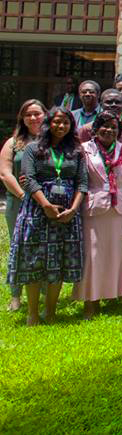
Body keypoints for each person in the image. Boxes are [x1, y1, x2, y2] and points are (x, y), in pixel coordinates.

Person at [8, 108, 88, 326]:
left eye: (65, 123)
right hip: (37, 211)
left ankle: (50, 311)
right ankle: (32, 312)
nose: (60, 126)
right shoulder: (33, 149)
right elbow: (29, 179)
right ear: (49, 123)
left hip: (67, 214)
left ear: (71, 126)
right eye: (56, 122)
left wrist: (73, 209)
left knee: (59, 260)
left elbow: (82, 183)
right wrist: (45, 205)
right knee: (34, 260)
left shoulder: (77, 152)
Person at [73, 111, 122, 319]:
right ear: (95, 129)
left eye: (114, 127)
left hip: (119, 210)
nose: (109, 130)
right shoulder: (84, 150)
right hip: (93, 209)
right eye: (104, 126)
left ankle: (110, 296)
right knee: (92, 256)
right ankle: (90, 302)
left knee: (114, 255)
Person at [0, 99, 47, 311]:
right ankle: (16, 295)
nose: (33, 117)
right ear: (23, 118)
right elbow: (5, 173)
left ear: (45, 115)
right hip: (18, 203)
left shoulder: (52, 141)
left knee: (45, 247)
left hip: (46, 204)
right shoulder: (13, 143)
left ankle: (46, 292)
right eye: (28, 114)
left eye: (37, 113)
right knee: (19, 247)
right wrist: (23, 195)